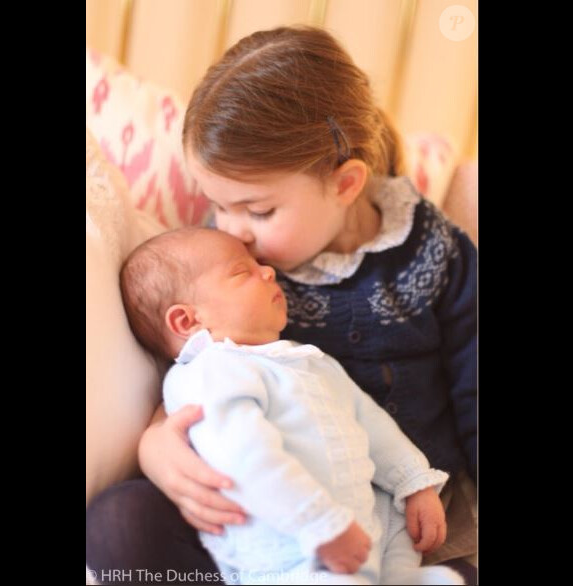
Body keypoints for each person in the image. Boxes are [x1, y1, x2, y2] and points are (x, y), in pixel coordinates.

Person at [86, 25, 476, 585]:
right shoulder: (224, 258)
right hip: (269, 506)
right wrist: (154, 447)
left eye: (257, 210)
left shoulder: (437, 255)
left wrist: (424, 486)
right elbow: (191, 368)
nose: (233, 232)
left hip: (406, 515)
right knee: (117, 524)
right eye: (218, 207)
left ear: (345, 184)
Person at [118, 226, 463, 585]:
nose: (268, 272)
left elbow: (370, 423)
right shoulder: (210, 372)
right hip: (292, 555)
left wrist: (413, 481)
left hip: (362, 533)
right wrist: (320, 524)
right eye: (242, 272)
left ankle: (399, 576)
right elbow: (245, 458)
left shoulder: (309, 361)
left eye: (258, 265)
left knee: (406, 542)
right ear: (188, 321)